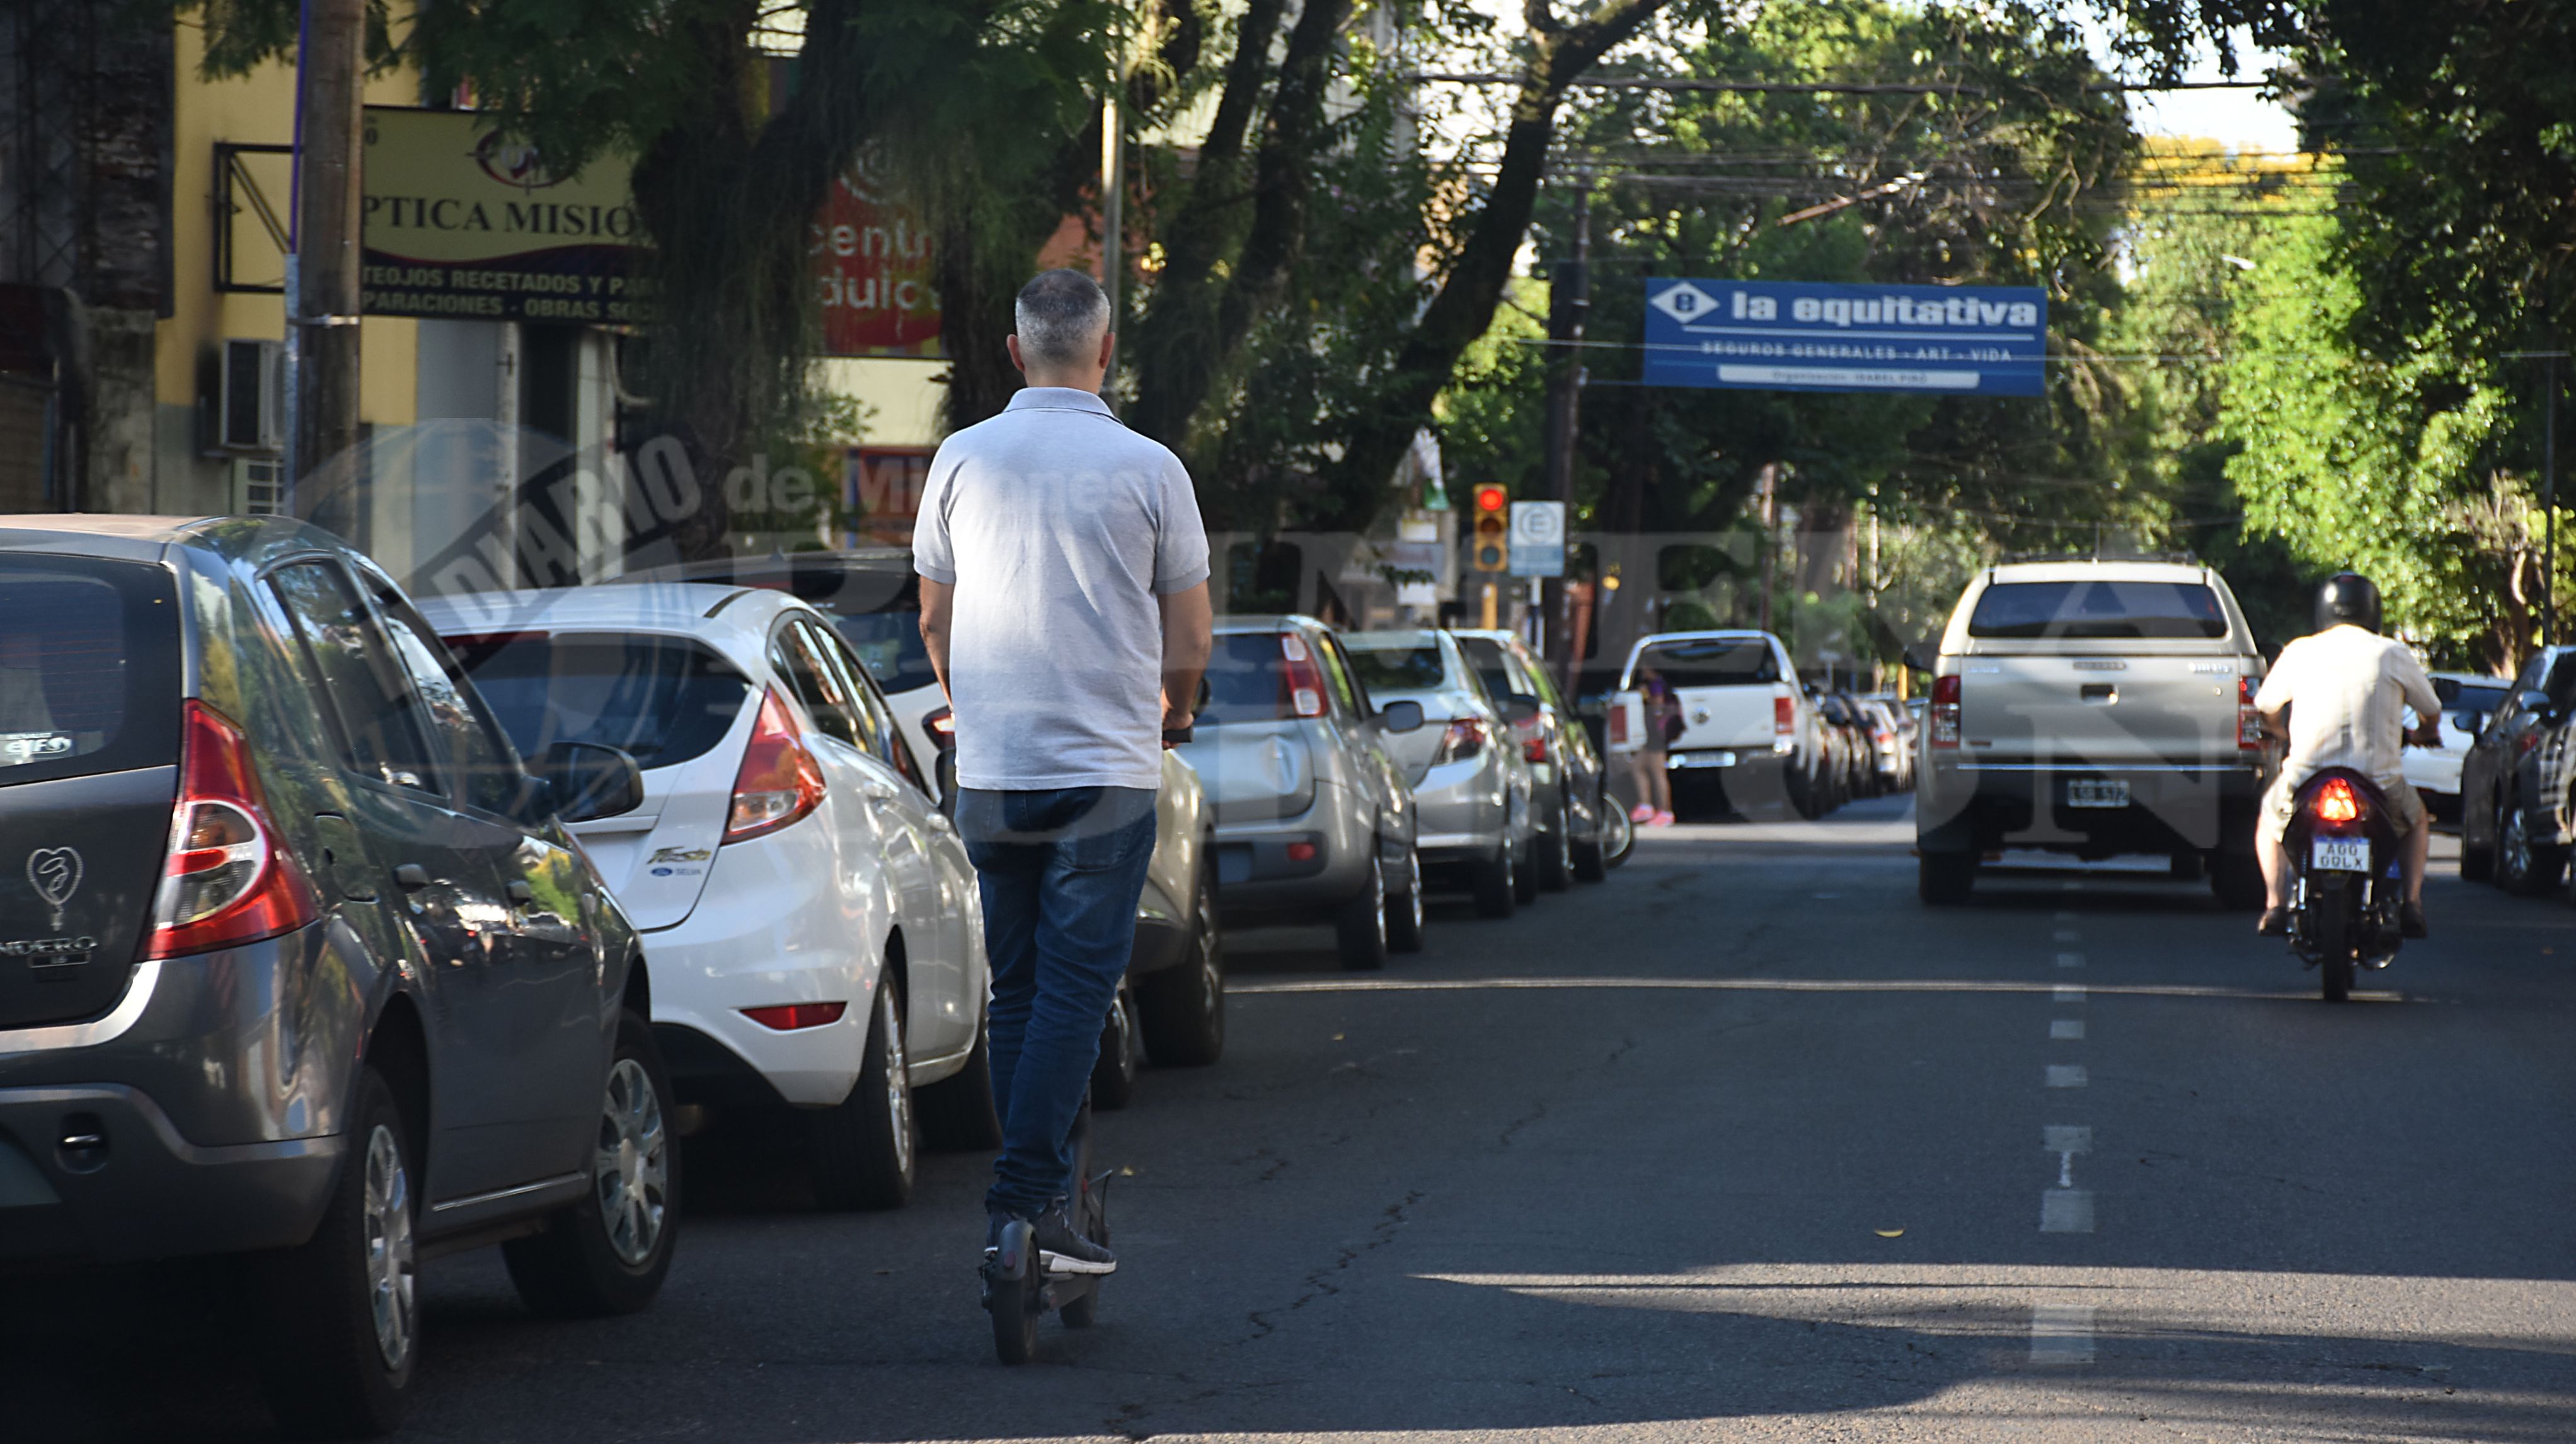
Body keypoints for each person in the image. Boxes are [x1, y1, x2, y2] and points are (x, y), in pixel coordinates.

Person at [914, 269, 1214, 1276]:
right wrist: (1174, 714)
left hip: (993, 769)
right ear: (1107, 349)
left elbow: (932, 617)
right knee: (1080, 992)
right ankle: (1024, 1203)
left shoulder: (960, 458)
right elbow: (1190, 633)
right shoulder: (1152, 466)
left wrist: (965, 701)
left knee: (1020, 993)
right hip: (1105, 772)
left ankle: (1039, 1196)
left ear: (1012, 351)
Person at [2251, 572, 2441, 939]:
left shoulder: (2300, 650)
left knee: (2268, 820)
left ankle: (2275, 904)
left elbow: (2265, 705)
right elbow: (2431, 709)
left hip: (2306, 778)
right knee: (2417, 821)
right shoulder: (2393, 653)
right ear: (2373, 611)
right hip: (2378, 781)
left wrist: (2277, 730)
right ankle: (2412, 904)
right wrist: (2425, 733)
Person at [1628, 666, 1676, 827]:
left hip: (1657, 734)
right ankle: (1645, 805)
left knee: (1658, 773)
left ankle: (1666, 812)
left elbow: (1657, 705)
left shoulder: (1656, 684)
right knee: (1637, 766)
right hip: (1652, 735)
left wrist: (1645, 695)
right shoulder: (1658, 683)